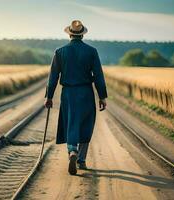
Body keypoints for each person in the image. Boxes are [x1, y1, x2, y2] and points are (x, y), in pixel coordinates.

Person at [44, 20, 108, 175]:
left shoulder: (60, 52)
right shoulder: (92, 51)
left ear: (70, 34)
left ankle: (72, 150)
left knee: (71, 121)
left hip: (68, 93)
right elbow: (98, 75)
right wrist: (102, 96)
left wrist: (49, 96)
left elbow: (53, 76)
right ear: (82, 35)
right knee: (86, 123)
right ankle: (81, 160)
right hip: (86, 92)